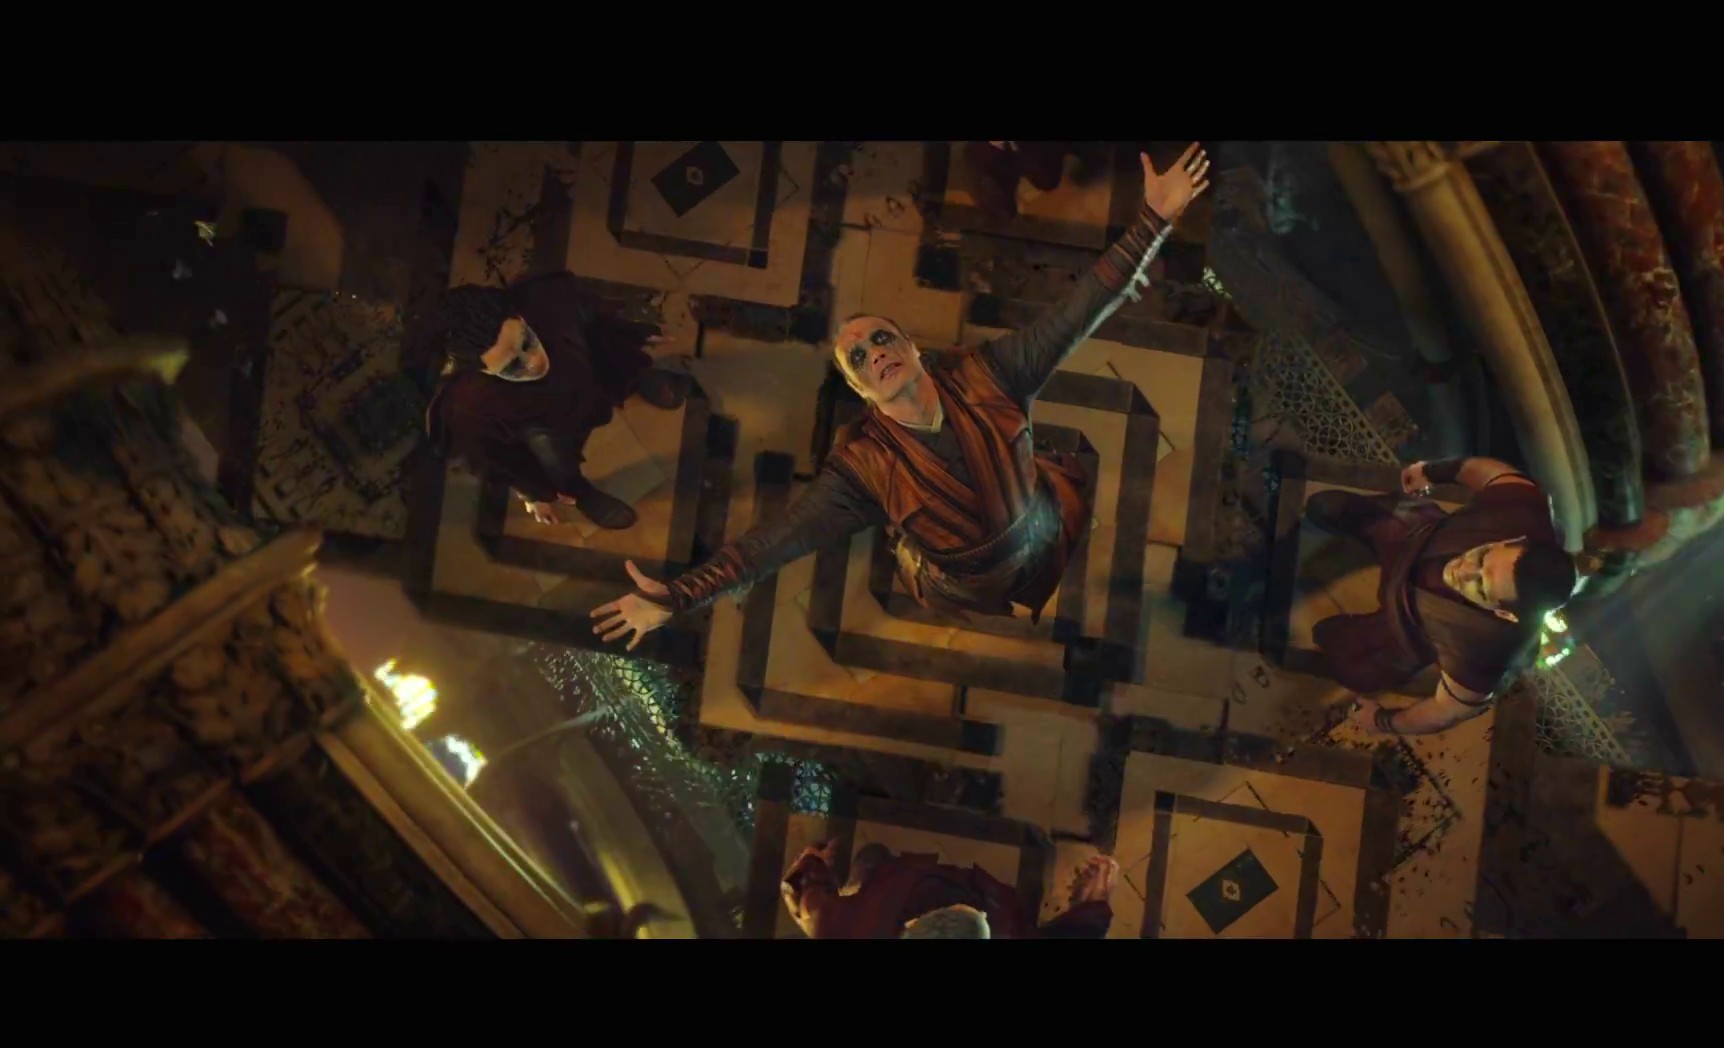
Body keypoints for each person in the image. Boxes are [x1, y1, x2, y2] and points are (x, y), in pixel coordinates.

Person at [590, 145, 1212, 648]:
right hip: (968, 577)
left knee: (1046, 534)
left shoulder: (991, 375)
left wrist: (1153, 220)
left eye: (880, 339)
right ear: (860, 389)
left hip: (1040, 520)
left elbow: (1078, 309)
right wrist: (679, 597)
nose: (874, 353)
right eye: (858, 358)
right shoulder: (863, 469)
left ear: (913, 348)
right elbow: (768, 546)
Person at [1309, 456, 1579, 737]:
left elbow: (1446, 711)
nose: (1461, 571)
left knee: (1350, 664)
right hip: (1417, 537)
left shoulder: (1490, 648)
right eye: (1482, 558)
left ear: (1503, 612)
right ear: (1512, 541)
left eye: (1480, 586)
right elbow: (1495, 474)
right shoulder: (1522, 508)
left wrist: (1382, 722)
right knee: (1328, 505)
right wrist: (1432, 471)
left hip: (1405, 628)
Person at [425, 272, 685, 531]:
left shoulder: (545, 298)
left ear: (519, 317)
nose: (534, 362)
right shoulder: (467, 409)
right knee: (556, 466)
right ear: (481, 370)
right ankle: (580, 493)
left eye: (527, 342)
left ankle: (638, 378)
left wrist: (633, 333)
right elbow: (496, 461)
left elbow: (594, 316)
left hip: (585, 369)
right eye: (512, 366)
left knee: (614, 360)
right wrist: (534, 493)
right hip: (547, 429)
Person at [781, 839, 1119, 939]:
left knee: (873, 855)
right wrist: (1092, 906)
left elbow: (804, 898)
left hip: (903, 886)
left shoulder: (844, 925)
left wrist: (812, 863)